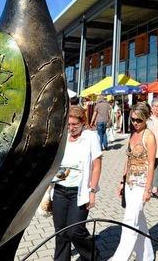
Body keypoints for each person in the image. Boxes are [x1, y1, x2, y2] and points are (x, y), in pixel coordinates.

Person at [51, 106, 102, 261]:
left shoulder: (91, 137)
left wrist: (92, 191)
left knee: (75, 230)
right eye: (68, 124)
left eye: (74, 124)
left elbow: (97, 165)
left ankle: (92, 255)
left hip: (79, 192)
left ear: (83, 122)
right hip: (59, 189)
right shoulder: (62, 135)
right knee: (60, 232)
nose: (71, 128)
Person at [112, 103, 157, 261]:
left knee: (130, 222)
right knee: (139, 220)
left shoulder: (149, 136)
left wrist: (148, 188)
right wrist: (122, 182)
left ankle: (119, 258)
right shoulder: (133, 134)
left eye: (139, 120)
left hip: (141, 184)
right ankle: (147, 256)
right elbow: (128, 158)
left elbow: (152, 163)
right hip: (130, 184)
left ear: (146, 118)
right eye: (132, 119)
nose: (135, 123)